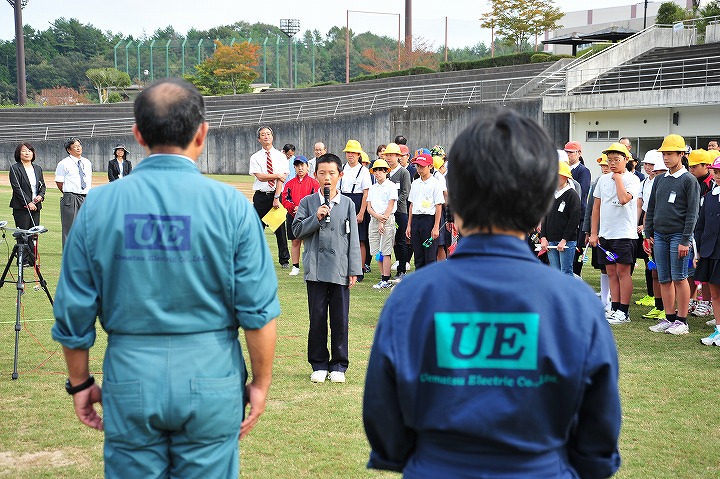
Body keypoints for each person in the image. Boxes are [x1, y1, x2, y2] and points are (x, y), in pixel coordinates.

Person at [363, 108, 622, 478]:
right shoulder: (575, 303)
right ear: (540, 207)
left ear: (456, 199)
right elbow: (598, 440)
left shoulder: (412, 295)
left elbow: (384, 425)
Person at [51, 78, 279, 479]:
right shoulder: (231, 206)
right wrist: (260, 383)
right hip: (212, 376)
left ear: (138, 135)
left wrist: (79, 382)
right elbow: (258, 312)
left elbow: (73, 310)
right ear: (202, 133)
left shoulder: (100, 205)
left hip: (131, 375)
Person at [292, 153, 362, 384]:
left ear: (340, 175)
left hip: (341, 268)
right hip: (316, 268)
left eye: (332, 173)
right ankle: (319, 364)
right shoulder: (308, 202)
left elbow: (353, 239)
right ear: (315, 175)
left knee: (340, 319)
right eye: (322, 173)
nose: (327, 178)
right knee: (318, 318)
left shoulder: (348, 203)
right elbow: (296, 230)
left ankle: (339, 365)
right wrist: (316, 216)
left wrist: (354, 268)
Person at [646, 134, 700, 335]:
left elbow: (692, 213)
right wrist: (648, 232)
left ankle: (682, 321)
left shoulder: (689, 180)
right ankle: (669, 318)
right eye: (664, 154)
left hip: (679, 236)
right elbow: (652, 208)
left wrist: (685, 240)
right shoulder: (660, 180)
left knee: (679, 277)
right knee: (664, 278)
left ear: (681, 155)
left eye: (670, 154)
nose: (666, 158)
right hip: (659, 235)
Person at [588, 142, 640, 325]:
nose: (612, 163)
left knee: (623, 272)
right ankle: (614, 307)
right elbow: (596, 207)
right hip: (606, 235)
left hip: (624, 235)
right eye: (609, 160)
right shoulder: (602, 180)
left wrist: (618, 178)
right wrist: (594, 233)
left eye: (616, 160)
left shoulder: (632, 179)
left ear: (626, 160)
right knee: (610, 272)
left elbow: (624, 199)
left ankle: (624, 311)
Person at [249, 126, 291, 268]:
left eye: (268, 134)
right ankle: (253, 258)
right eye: (263, 135)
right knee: (256, 229)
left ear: (272, 137)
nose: (266, 136)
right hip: (260, 197)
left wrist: (277, 197)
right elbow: (260, 177)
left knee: (280, 229)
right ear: (258, 139)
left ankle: (284, 260)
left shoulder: (281, 157)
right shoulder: (255, 157)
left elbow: (282, 178)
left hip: (275, 194)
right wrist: (277, 175)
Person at [695, 157, 720, 345]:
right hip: (709, 251)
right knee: (714, 293)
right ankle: (718, 329)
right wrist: (698, 252)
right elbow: (701, 225)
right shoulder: (709, 196)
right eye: (716, 172)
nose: (717, 176)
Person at [540, 161, 581, 276]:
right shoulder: (550, 195)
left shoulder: (572, 195)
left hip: (566, 241)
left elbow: (574, 219)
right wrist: (543, 237)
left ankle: (569, 294)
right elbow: (545, 217)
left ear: (566, 176)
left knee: (566, 272)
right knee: (555, 273)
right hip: (550, 240)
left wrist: (564, 240)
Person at [281, 155, 320, 276]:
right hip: (293, 216)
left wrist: (305, 210)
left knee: (310, 242)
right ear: (294, 167)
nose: (300, 168)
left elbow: (316, 199)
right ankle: (295, 266)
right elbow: (285, 199)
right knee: (295, 241)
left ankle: (312, 265)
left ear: (307, 167)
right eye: (297, 166)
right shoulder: (289, 184)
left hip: (309, 217)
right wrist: (294, 208)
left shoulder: (314, 183)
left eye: (302, 165)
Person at [340, 140, 372, 281]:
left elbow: (366, 193)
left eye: (353, 152)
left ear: (359, 154)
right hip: (343, 200)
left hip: (358, 201)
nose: (350, 155)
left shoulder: (364, 171)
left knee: (360, 240)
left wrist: (361, 212)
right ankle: (344, 269)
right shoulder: (341, 168)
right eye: (348, 152)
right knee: (343, 238)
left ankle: (359, 270)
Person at [9, 142, 46, 264]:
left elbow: (42, 186)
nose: (27, 153)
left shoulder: (38, 168)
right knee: (23, 233)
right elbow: (17, 188)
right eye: (24, 151)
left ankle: (32, 259)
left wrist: (40, 196)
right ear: (19, 154)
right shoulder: (15, 168)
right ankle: (22, 260)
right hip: (21, 207)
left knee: (33, 233)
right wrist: (28, 202)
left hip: (36, 207)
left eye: (29, 151)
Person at [406, 152, 444, 270]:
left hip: (429, 220)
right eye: (418, 166)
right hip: (416, 220)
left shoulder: (435, 183)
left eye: (422, 166)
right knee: (418, 255)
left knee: (430, 255)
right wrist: (409, 225)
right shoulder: (415, 183)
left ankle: (431, 282)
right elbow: (412, 204)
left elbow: (438, 205)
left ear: (430, 166)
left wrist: (436, 226)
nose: (419, 169)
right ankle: (420, 282)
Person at [366, 158, 397, 289]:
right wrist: (377, 217)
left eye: (380, 170)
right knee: (375, 250)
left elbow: (391, 205)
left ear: (386, 172)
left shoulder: (391, 186)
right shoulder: (372, 188)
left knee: (385, 250)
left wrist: (382, 220)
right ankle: (383, 277)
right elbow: (368, 207)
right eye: (375, 170)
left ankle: (386, 278)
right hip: (374, 219)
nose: (377, 173)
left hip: (387, 219)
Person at [55, 137, 92, 247]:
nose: (78, 148)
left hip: (86, 197)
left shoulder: (87, 162)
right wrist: (69, 194)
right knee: (69, 228)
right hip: (71, 197)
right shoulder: (64, 163)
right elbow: (59, 182)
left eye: (79, 146)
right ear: (69, 150)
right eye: (75, 146)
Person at [385, 143, 411, 281]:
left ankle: (402, 269)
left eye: (391, 155)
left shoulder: (404, 173)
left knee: (400, 240)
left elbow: (405, 192)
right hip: (386, 213)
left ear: (398, 157)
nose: (389, 158)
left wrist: (393, 205)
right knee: (390, 241)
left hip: (400, 212)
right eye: (387, 155)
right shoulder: (386, 172)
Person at [565, 141, 590, 275]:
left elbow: (582, 192)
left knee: (575, 250)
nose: (568, 155)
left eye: (571, 152)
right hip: (562, 215)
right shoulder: (563, 169)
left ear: (579, 154)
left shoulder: (583, 171)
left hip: (578, 215)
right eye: (566, 152)